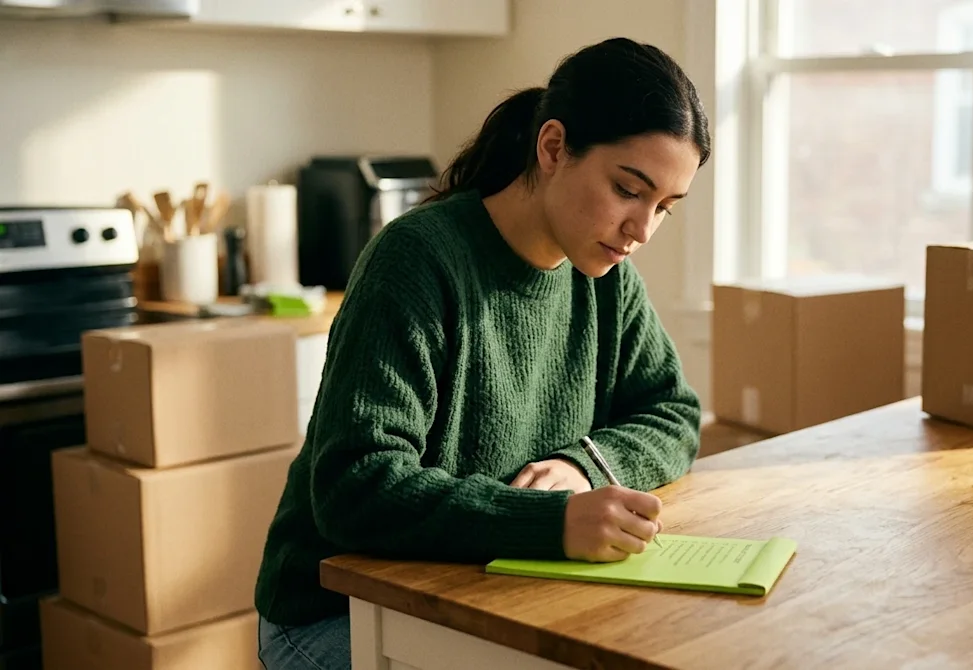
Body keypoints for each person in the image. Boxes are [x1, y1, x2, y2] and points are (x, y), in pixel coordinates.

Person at [254, 35, 711, 670]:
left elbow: (674, 413)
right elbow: (353, 486)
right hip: (339, 613)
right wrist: (549, 523)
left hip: (495, 592)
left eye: (665, 205)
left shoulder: (605, 276)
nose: (643, 230)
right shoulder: (415, 260)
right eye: (628, 190)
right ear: (553, 148)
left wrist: (583, 467)